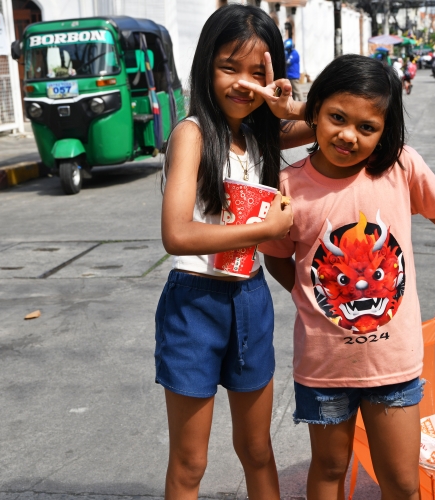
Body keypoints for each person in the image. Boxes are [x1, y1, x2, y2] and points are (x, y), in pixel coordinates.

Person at [259, 55, 435, 500]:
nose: (349, 135)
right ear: (315, 111)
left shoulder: (401, 167)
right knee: (328, 470)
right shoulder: (288, 186)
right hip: (324, 367)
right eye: (337, 119)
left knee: (401, 482)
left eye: (368, 127)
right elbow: (277, 258)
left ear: (386, 131)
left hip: (394, 367)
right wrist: (317, 299)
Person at [156, 5, 314, 499]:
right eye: (230, 67)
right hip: (193, 306)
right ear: (206, 64)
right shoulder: (192, 135)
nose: (243, 84)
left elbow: (332, 124)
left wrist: (287, 108)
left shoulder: (260, 138)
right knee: (190, 461)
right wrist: (261, 230)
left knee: (258, 450)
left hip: (250, 301)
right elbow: (177, 234)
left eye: (257, 73)